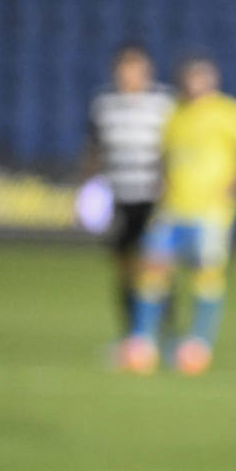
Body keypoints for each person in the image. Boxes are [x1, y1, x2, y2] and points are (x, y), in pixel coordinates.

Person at [119, 54, 236, 375]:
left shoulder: (228, 112)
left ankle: (197, 345)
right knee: (151, 271)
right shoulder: (174, 113)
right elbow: (164, 154)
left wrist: (233, 188)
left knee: (205, 277)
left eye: (203, 78)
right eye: (192, 78)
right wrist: (162, 182)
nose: (196, 85)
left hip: (210, 214)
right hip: (171, 210)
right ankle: (142, 343)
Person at [82, 42, 175, 338]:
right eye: (125, 68)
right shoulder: (103, 103)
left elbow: (174, 148)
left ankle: (163, 331)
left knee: (156, 266)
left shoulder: (164, 102)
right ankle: (132, 333)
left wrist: (171, 184)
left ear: (148, 70)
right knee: (124, 268)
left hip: (155, 197)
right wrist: (87, 189)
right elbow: (94, 150)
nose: (129, 74)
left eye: (136, 68)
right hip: (119, 197)